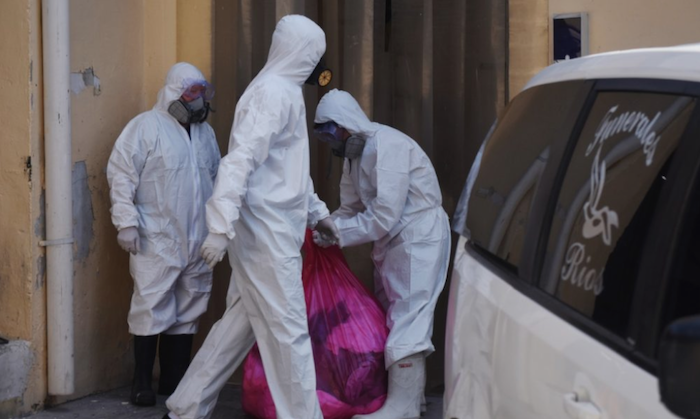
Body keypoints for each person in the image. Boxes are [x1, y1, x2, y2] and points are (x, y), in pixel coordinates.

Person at [162, 15, 337, 419]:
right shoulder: (273, 93)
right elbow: (240, 161)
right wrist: (219, 227)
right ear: (300, 52)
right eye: (313, 53)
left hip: (272, 229)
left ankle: (185, 407)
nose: (317, 64)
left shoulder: (284, 91)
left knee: (238, 326)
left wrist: (316, 214)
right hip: (266, 235)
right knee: (288, 332)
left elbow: (286, 168)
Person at [312, 89, 451, 419]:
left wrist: (339, 233)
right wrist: (326, 227)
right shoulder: (354, 156)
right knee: (396, 316)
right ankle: (410, 400)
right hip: (393, 242)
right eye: (325, 135)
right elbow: (352, 208)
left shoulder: (386, 146)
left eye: (333, 131)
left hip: (418, 237)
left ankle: (401, 409)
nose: (333, 141)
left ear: (348, 123)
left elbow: (383, 215)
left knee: (408, 318)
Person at [106, 62, 221, 406]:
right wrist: (125, 222)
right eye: (191, 93)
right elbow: (122, 174)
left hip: (198, 238)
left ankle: (173, 383)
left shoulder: (205, 135)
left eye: (201, 93)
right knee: (150, 304)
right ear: (174, 92)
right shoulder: (144, 128)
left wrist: (221, 227)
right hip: (156, 236)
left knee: (189, 308)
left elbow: (217, 180)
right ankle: (141, 383)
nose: (197, 100)